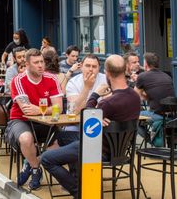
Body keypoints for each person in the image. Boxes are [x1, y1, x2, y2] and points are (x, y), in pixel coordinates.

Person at [40, 55, 141, 198]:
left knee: (46, 158)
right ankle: (79, 178)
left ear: (106, 72)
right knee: (62, 136)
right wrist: (101, 117)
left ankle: (79, 191)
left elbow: (86, 118)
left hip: (96, 149)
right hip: (121, 150)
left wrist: (94, 95)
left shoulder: (108, 103)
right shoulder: (135, 96)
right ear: (125, 69)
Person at [5, 48, 63, 190]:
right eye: (36, 62)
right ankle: (36, 169)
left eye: (42, 61)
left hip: (45, 121)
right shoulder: (18, 80)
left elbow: (59, 108)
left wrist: (38, 109)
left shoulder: (51, 79)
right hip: (20, 120)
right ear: (27, 65)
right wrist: (46, 109)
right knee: (26, 139)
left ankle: (29, 164)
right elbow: (26, 110)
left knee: (57, 147)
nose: (40, 65)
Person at [58, 54, 107, 145]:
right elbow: (74, 111)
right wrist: (86, 87)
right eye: (87, 66)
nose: (91, 69)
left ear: (99, 68)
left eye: (94, 66)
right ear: (81, 67)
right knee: (67, 134)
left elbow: (109, 105)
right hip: (77, 124)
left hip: (100, 123)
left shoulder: (106, 80)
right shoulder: (73, 82)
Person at [135, 52, 175, 143]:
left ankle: (151, 140)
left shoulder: (142, 76)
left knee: (132, 118)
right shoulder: (167, 76)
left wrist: (137, 82)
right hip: (173, 117)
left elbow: (135, 97)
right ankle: (155, 135)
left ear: (145, 64)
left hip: (157, 116)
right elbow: (155, 96)